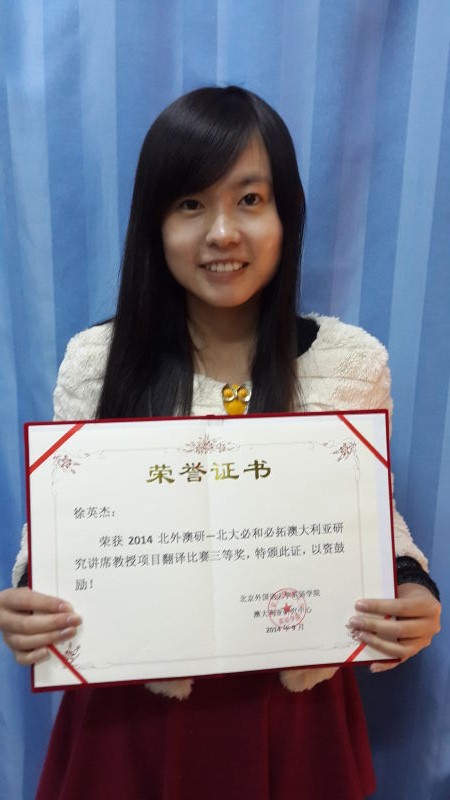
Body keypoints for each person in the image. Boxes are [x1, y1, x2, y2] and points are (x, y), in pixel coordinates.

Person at [0, 86, 441, 800]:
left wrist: (413, 587)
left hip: (295, 708)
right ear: (155, 223)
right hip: (131, 713)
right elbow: (59, 528)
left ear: (286, 213)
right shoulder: (98, 361)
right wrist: (29, 599)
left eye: (250, 199)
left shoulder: (351, 361)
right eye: (190, 204)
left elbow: (368, 515)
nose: (223, 233)